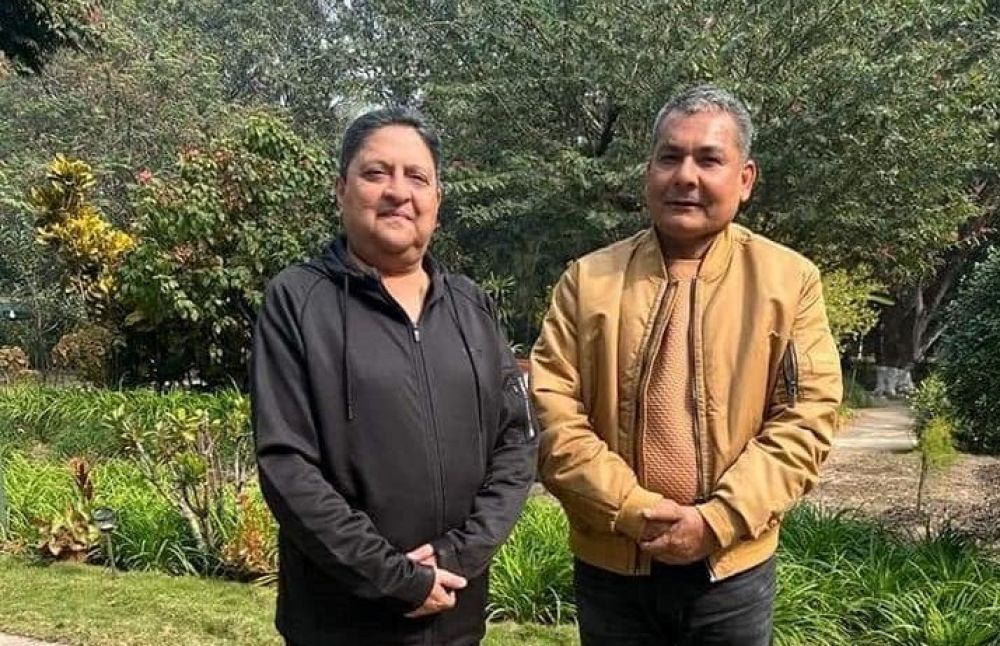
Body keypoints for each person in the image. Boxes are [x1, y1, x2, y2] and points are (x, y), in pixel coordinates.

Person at [530, 85, 842, 645]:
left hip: (731, 570)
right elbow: (551, 413)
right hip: (613, 564)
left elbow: (807, 419)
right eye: (670, 157)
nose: (685, 176)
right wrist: (632, 510)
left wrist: (716, 521)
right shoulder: (588, 281)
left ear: (745, 179)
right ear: (648, 171)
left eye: (709, 159)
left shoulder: (788, 282)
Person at [252, 106, 538, 646]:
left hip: (455, 614)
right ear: (342, 189)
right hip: (340, 623)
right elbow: (286, 465)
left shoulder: (471, 307)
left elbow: (516, 442)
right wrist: (394, 578)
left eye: (416, 177)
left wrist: (459, 554)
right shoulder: (297, 301)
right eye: (376, 173)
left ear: (437, 199)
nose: (398, 192)